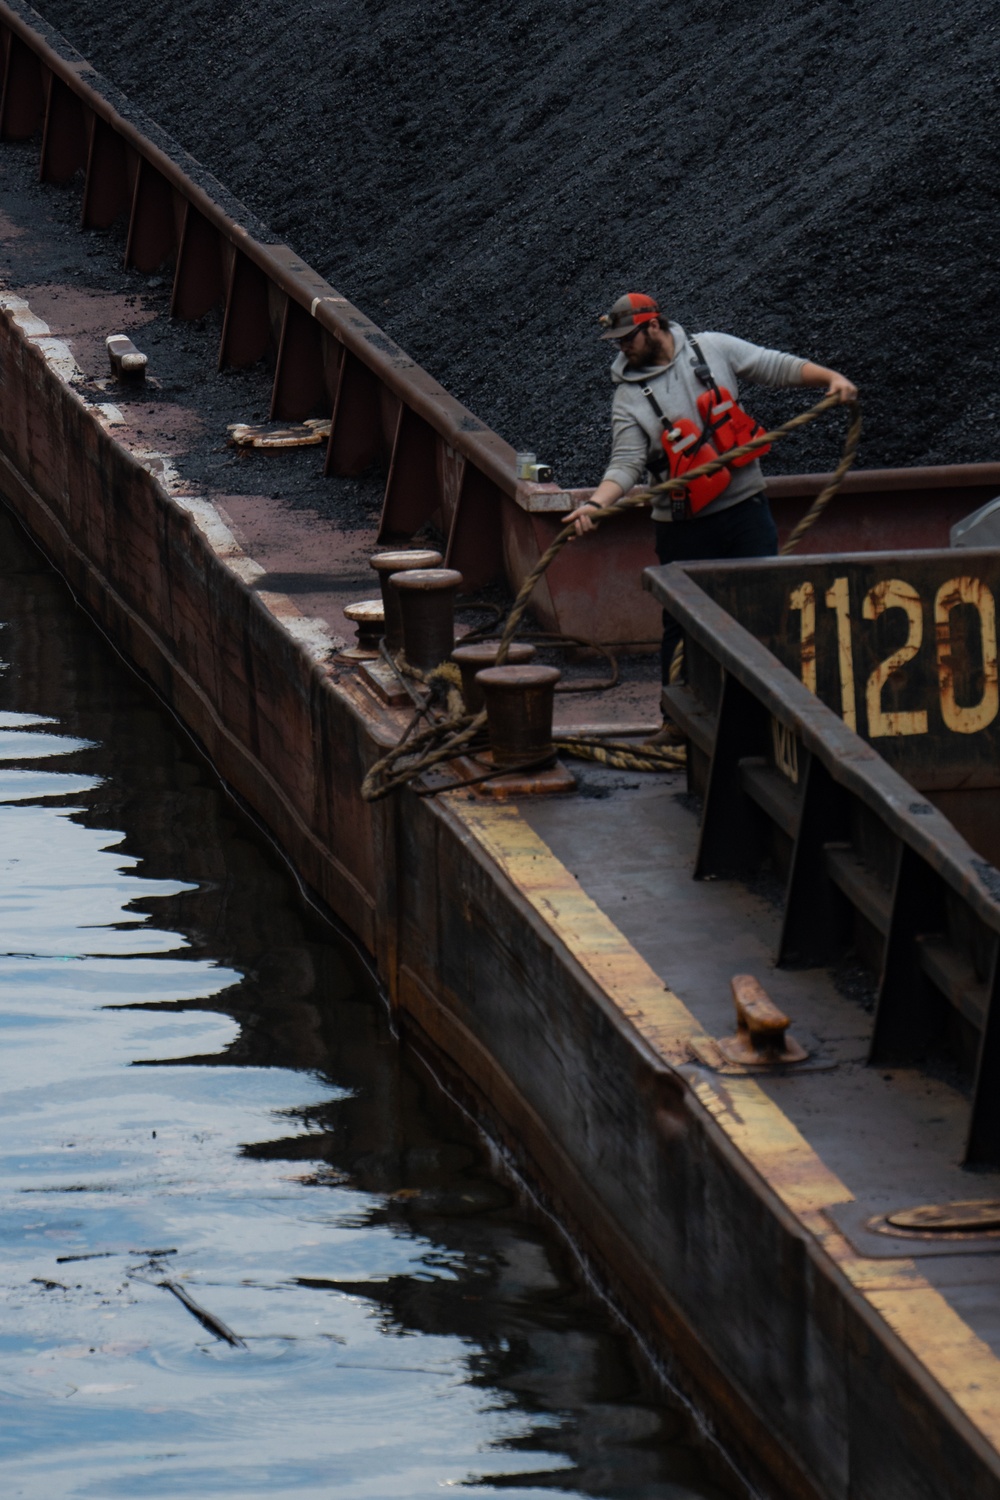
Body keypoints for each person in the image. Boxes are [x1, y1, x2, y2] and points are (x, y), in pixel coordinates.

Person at [564, 293, 857, 741]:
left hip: (746, 512)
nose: (621, 347)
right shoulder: (627, 399)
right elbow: (624, 465)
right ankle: (675, 721)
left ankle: (768, 715)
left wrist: (830, 378)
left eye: (628, 337)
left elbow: (774, 365)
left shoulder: (712, 348)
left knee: (764, 609)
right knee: (681, 624)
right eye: (616, 341)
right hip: (683, 527)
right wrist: (595, 505)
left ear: (654, 326)